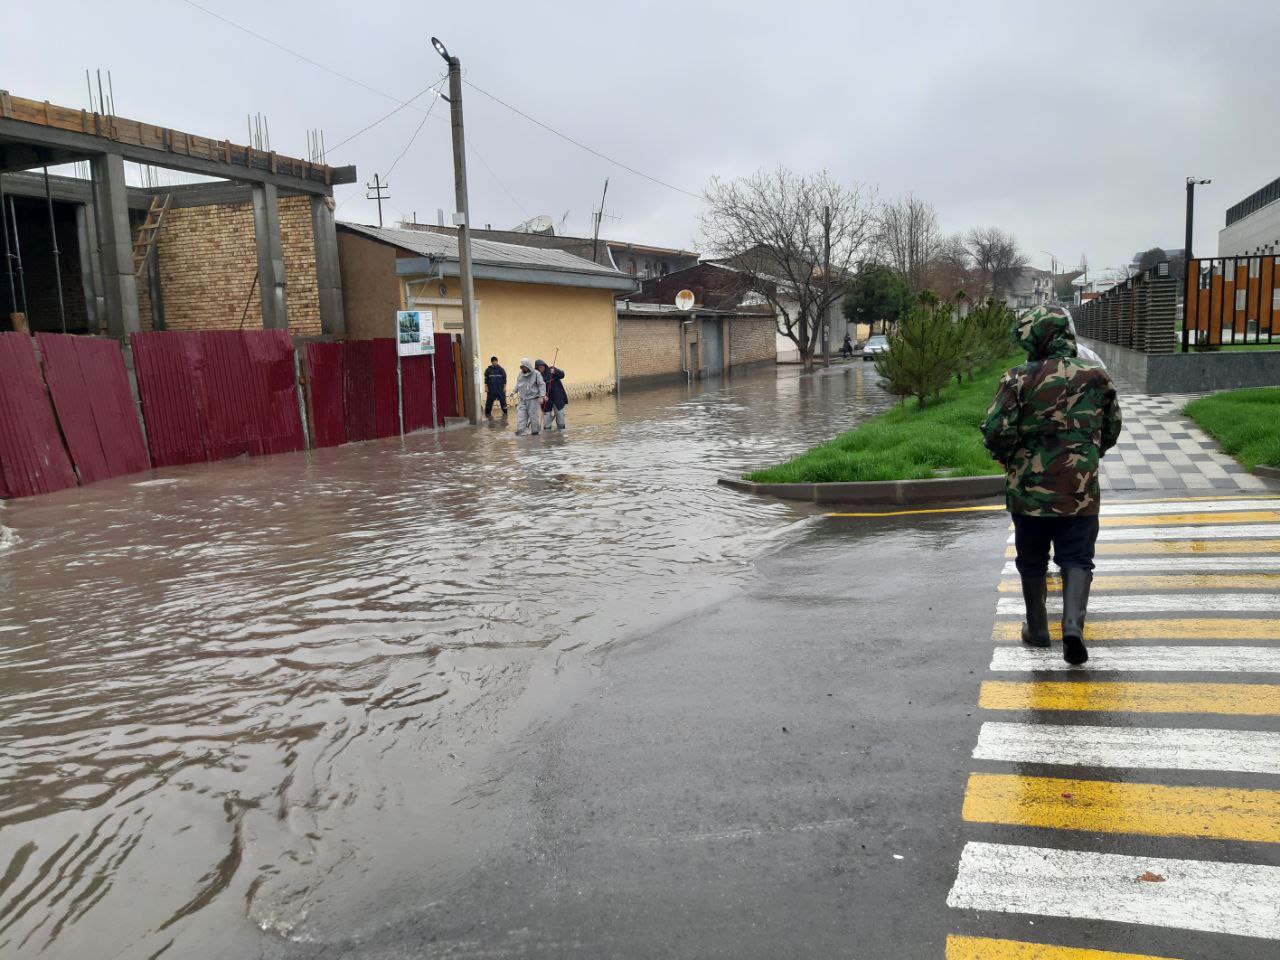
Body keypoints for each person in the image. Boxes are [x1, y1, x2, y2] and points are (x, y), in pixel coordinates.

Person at [981, 304, 1122, 666]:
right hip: (1079, 490)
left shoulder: (1017, 378)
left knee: (1031, 559)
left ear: (1036, 338)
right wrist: (1089, 454)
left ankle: (1038, 628)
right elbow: (1112, 427)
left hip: (1029, 492)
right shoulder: (1096, 376)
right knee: (1077, 557)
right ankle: (1072, 626)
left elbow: (995, 430)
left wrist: (1007, 457)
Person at [513, 358, 545, 436]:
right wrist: (514, 391)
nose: (523, 369)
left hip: (533, 400)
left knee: (534, 418)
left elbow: (541, 385)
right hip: (523, 400)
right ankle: (520, 432)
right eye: (522, 367)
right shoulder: (521, 374)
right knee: (521, 417)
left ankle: (535, 433)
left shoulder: (536, 374)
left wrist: (542, 396)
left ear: (528, 366)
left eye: (524, 367)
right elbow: (518, 383)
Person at [535, 359, 568, 431]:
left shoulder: (552, 369)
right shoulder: (536, 376)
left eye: (542, 367)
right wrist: (542, 396)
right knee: (547, 421)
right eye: (539, 368)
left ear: (545, 366)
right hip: (546, 399)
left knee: (560, 417)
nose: (541, 369)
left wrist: (555, 371)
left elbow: (562, 375)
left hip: (557, 397)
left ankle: (561, 433)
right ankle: (548, 434)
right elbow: (535, 388)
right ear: (537, 369)